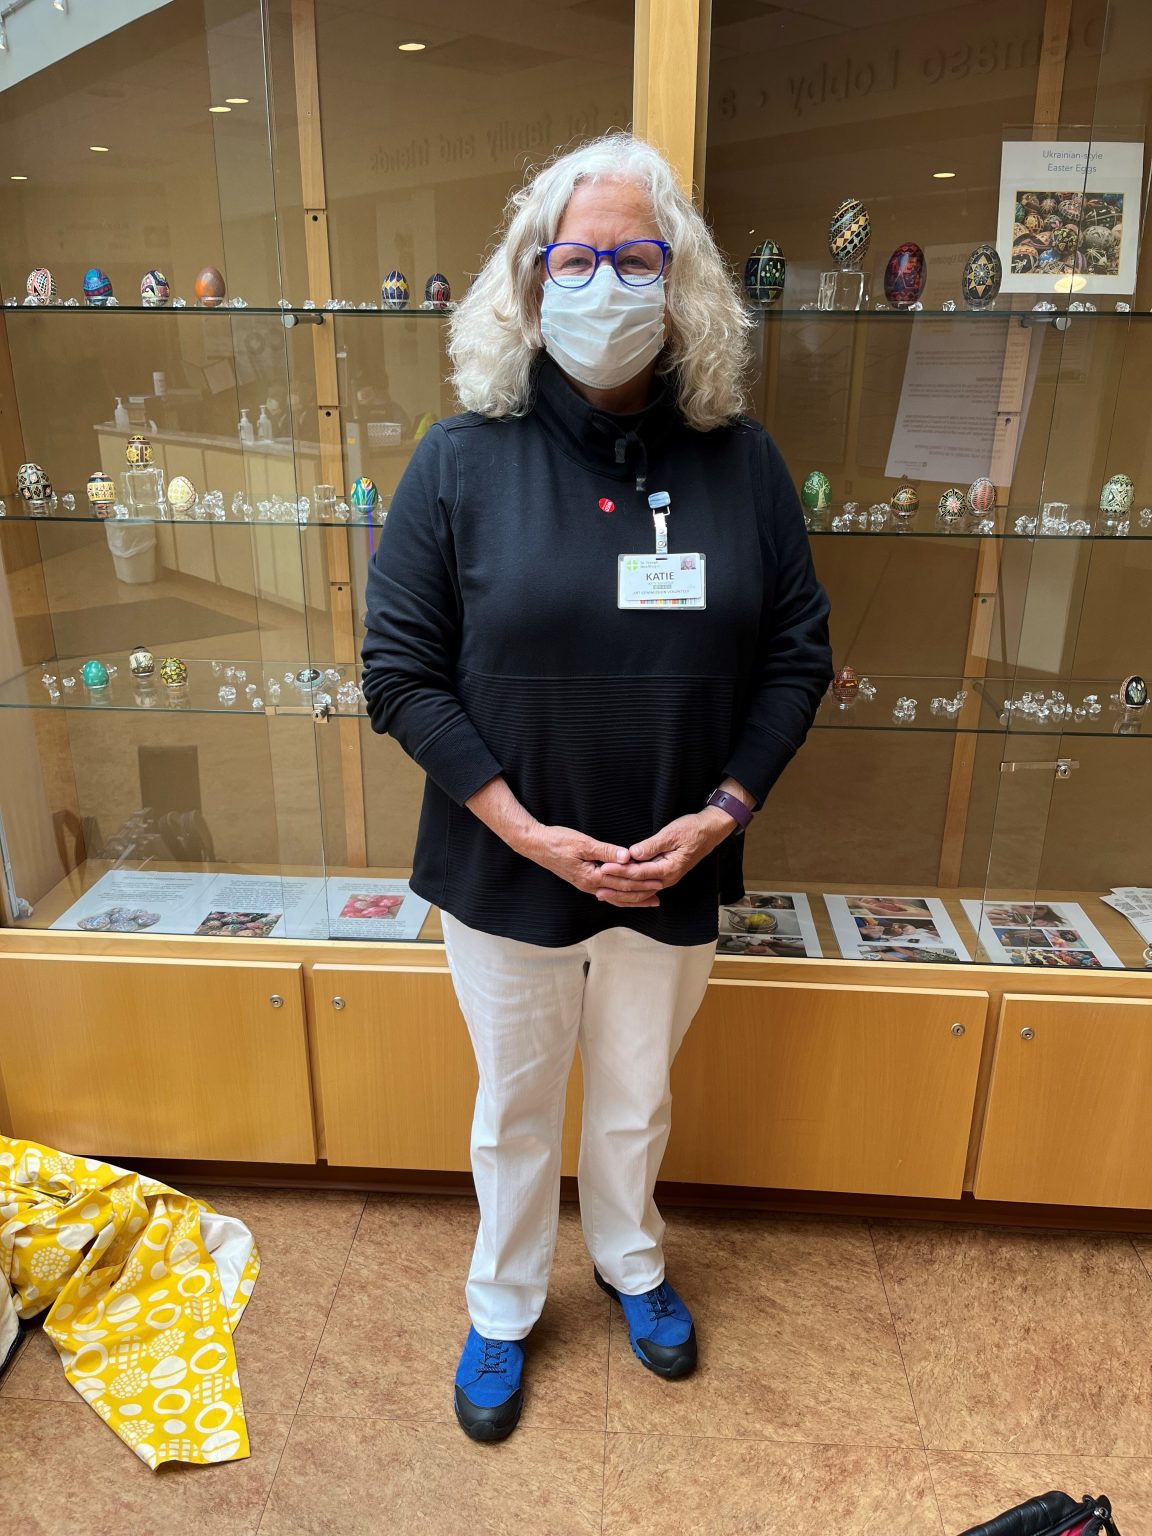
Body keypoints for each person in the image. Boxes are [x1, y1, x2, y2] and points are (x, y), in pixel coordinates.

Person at [360, 132, 833, 1443]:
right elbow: (398, 672)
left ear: (682, 285)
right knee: (515, 1108)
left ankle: (631, 1261)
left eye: (637, 258)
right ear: (529, 282)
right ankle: (504, 1303)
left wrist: (725, 813)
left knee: (636, 1099)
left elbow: (798, 654)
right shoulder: (460, 460)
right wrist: (523, 830)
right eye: (575, 260)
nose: (604, 284)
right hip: (505, 866)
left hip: (676, 866)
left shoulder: (744, 463)